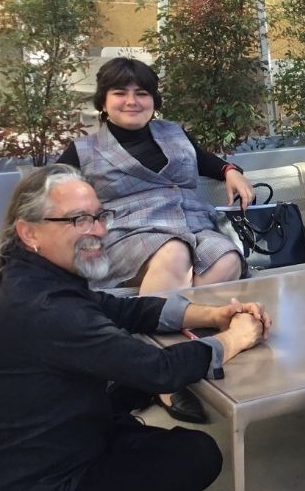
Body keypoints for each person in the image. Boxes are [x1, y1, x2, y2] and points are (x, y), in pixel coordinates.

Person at [0, 165, 271, 491]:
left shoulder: (27, 277)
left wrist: (211, 314)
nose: (97, 230)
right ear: (29, 232)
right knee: (199, 456)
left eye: (98, 216)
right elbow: (159, 370)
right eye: (77, 219)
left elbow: (119, 308)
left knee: (138, 426)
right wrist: (235, 339)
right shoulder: (46, 309)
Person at [57, 57, 254, 423]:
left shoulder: (174, 132)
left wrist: (231, 172)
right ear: (103, 101)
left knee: (228, 257)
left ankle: (148, 355)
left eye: (141, 93)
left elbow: (207, 161)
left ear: (153, 100)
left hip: (192, 224)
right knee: (173, 252)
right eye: (120, 93)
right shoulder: (84, 151)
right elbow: (51, 191)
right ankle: (162, 378)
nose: (132, 101)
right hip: (130, 234)